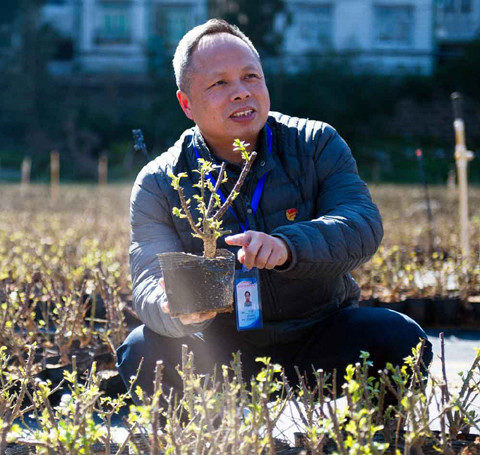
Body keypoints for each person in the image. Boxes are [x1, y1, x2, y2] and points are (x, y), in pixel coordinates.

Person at [116, 19, 432, 400]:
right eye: (220, 83)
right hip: (220, 347)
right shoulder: (160, 181)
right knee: (142, 348)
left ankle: (371, 439)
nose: (241, 93)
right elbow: (148, 276)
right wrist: (172, 308)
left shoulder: (316, 144)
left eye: (251, 76)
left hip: (320, 334)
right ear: (186, 103)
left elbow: (361, 223)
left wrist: (287, 247)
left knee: (399, 337)